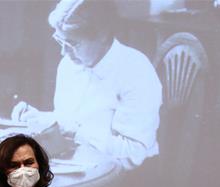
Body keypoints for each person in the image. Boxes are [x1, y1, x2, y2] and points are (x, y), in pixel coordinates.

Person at [11, 0, 162, 171]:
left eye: (72, 44)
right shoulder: (69, 65)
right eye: (60, 41)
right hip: (80, 164)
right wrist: (40, 119)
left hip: (128, 176)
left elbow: (133, 154)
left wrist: (74, 132)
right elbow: (70, 121)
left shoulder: (135, 71)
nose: (64, 52)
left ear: (103, 35)